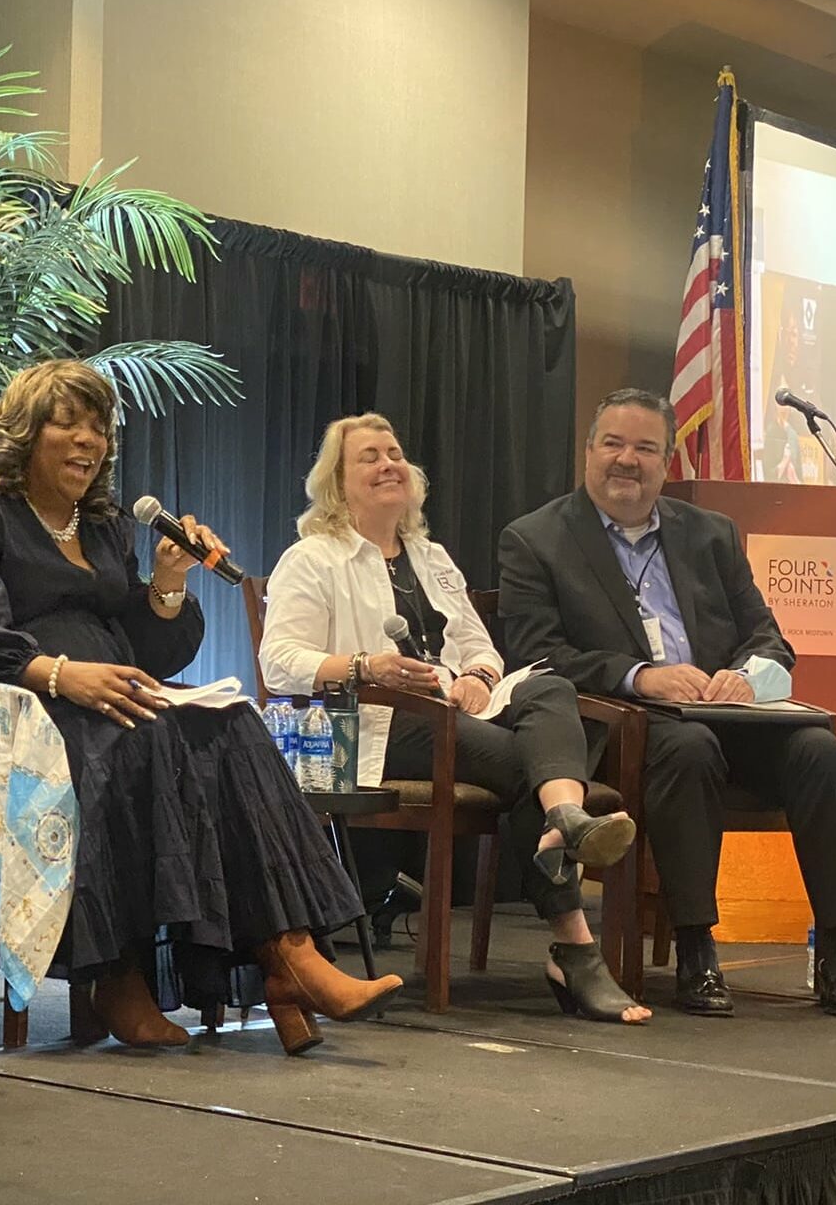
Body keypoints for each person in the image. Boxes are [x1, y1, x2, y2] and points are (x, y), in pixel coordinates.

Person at [0, 360, 402, 1056]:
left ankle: (291, 957)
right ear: (23, 431)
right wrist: (57, 674)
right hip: (18, 701)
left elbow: (144, 645)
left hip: (111, 689)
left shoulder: (102, 523)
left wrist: (167, 584)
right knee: (135, 740)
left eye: (98, 427)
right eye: (67, 423)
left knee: (233, 727)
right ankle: (117, 974)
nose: (88, 441)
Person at [497, 387, 836, 1019]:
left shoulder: (711, 534)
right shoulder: (535, 539)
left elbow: (769, 637)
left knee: (821, 753)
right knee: (687, 748)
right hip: (623, 728)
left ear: (666, 463)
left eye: (645, 448)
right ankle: (696, 948)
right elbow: (538, 655)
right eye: (613, 444)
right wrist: (640, 677)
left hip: (725, 712)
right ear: (587, 453)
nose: (628, 460)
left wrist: (744, 678)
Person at [259, 415, 648, 1024]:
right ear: (337, 484)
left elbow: (478, 643)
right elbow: (279, 661)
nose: (389, 463)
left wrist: (481, 677)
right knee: (531, 765)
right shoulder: (312, 559)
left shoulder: (432, 557)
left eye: (394, 453)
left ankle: (560, 823)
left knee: (549, 688)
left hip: (458, 712)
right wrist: (369, 667)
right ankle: (573, 924)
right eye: (369, 457)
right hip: (376, 724)